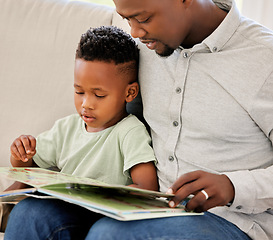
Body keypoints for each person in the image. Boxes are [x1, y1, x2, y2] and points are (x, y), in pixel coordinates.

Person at [5, 0, 273, 239]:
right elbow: (116, 122)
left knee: (111, 234)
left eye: (143, 19)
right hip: (144, 207)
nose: (134, 32)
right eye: (127, 19)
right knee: (32, 215)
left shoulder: (264, 59)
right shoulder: (143, 50)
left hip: (229, 222)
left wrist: (232, 186)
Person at [5, 25, 158, 239]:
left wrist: (98, 195)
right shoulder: (66, 127)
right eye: (79, 92)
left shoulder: (129, 131)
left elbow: (147, 188)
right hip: (65, 215)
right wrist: (20, 153)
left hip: (104, 219)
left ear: (129, 92)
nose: (86, 104)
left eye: (99, 95)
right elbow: (29, 167)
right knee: (26, 212)